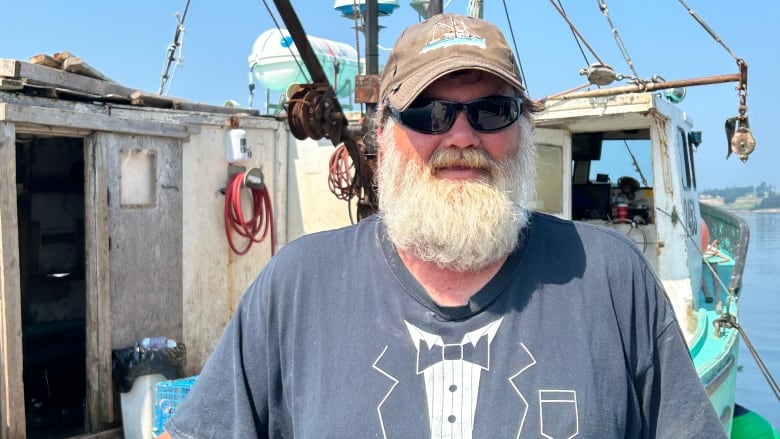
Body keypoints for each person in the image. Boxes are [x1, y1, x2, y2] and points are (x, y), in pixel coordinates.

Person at [163, 13, 727, 438]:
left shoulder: (612, 282)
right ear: (382, 132)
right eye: (429, 113)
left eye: (491, 111)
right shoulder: (295, 287)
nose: (461, 137)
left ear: (523, 128)